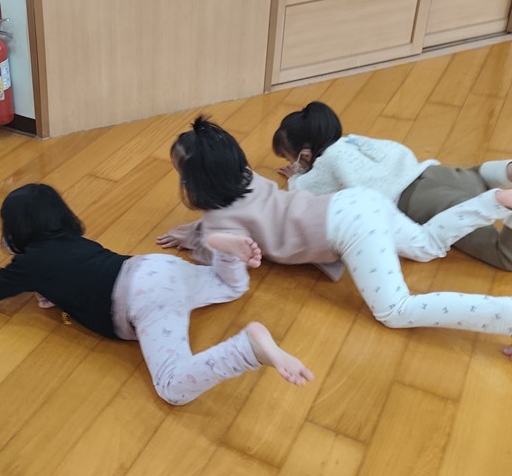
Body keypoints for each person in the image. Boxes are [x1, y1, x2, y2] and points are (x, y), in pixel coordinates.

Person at [0, 183, 313, 406]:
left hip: (141, 301)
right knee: (232, 287)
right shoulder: (73, 241)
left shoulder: (28, 264)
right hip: (155, 268)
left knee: (172, 388)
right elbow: (69, 278)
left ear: (16, 232)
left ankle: (247, 350)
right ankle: (222, 250)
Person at [157, 117, 512, 356]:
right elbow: (241, 219)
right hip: (360, 201)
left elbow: (229, 260)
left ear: (193, 182)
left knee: (394, 310)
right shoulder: (249, 178)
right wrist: (200, 231)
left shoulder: (219, 220)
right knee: (426, 245)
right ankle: (493, 201)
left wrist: (199, 239)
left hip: (349, 227)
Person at [272, 101, 512, 270]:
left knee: (503, 255)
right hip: (431, 172)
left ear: (304, 156)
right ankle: (506, 170)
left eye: (290, 158)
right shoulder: (352, 141)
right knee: (475, 178)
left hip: (419, 202)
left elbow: (300, 195)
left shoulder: (326, 163)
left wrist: (296, 175)